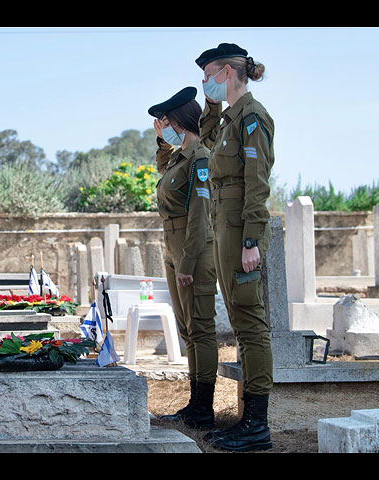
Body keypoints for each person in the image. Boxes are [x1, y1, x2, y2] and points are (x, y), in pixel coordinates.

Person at [195, 43, 275, 452]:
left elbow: (258, 182)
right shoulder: (228, 118)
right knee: (241, 324)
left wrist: (251, 240)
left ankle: (258, 425)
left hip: (238, 224)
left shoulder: (252, 117)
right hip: (222, 222)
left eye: (209, 73)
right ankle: (247, 420)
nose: (205, 81)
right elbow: (206, 138)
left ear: (226, 71)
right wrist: (209, 105)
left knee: (249, 319)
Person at [148, 86, 218, 430]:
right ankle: (194, 404)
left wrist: (188, 263)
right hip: (175, 249)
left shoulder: (200, 157)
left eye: (168, 121)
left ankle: (204, 408)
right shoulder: (179, 156)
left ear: (181, 120)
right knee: (187, 330)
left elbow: (201, 213)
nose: (166, 126)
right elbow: (166, 175)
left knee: (201, 329)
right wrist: (162, 140)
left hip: (195, 250)